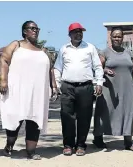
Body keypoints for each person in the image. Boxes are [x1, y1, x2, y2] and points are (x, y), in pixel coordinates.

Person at [0, 20, 57, 160]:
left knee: (34, 119)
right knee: (15, 118)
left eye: (37, 28)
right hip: (17, 89)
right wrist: (3, 80)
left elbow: (50, 69)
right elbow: (4, 60)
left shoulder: (43, 50)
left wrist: (54, 86)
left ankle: (31, 151)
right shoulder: (16, 45)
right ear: (25, 31)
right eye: (32, 28)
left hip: (38, 91)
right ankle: (9, 145)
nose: (35, 31)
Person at [54, 22, 104, 156]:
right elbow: (58, 68)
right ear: (69, 34)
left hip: (85, 87)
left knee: (84, 117)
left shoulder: (90, 48)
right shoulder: (64, 48)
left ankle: (81, 145)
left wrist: (99, 83)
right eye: (75, 31)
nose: (79, 33)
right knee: (67, 116)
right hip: (67, 86)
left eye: (80, 31)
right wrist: (57, 86)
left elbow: (98, 66)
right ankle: (68, 145)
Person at [93, 27, 133, 151]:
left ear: (122, 38)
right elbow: (97, 68)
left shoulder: (128, 52)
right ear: (111, 37)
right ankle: (98, 138)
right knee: (104, 112)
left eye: (119, 36)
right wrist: (104, 70)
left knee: (128, 112)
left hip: (127, 88)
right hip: (109, 89)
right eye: (114, 36)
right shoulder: (105, 52)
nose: (117, 38)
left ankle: (128, 141)